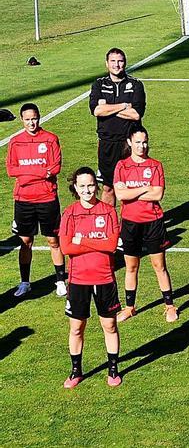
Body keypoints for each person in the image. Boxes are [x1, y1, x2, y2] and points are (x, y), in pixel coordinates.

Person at [59, 167, 122, 388]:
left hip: (104, 279)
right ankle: (76, 370)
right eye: (82, 186)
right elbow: (66, 247)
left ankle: (113, 368)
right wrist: (96, 243)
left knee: (110, 326)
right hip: (78, 281)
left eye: (90, 185)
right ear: (75, 188)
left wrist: (82, 240)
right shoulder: (69, 213)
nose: (87, 190)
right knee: (76, 328)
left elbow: (111, 245)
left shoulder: (108, 211)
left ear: (96, 185)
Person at [113, 125, 176, 323]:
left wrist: (133, 191)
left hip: (153, 222)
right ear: (130, 142)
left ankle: (169, 306)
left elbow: (158, 194)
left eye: (145, 142)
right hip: (130, 223)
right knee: (131, 267)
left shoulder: (155, 165)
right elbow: (120, 195)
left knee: (159, 266)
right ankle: (130, 307)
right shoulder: (121, 166)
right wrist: (143, 188)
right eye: (138, 142)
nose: (142, 146)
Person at [6, 102, 67, 298]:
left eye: (34, 119)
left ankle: (60, 280)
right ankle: (25, 282)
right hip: (23, 200)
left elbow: (55, 168)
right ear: (22, 120)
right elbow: (11, 170)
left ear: (39, 118)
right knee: (25, 241)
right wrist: (41, 172)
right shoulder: (15, 142)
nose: (32, 123)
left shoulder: (50, 140)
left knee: (53, 240)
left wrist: (27, 175)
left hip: (47, 198)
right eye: (28, 120)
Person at [88, 47, 146, 206]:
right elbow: (97, 111)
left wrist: (109, 108)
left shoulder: (136, 85)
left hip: (130, 144)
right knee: (108, 187)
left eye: (120, 61)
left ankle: (130, 225)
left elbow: (136, 114)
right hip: (107, 143)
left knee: (131, 186)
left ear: (125, 63)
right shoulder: (99, 84)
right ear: (106, 64)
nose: (116, 64)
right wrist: (124, 106)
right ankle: (110, 226)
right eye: (113, 61)